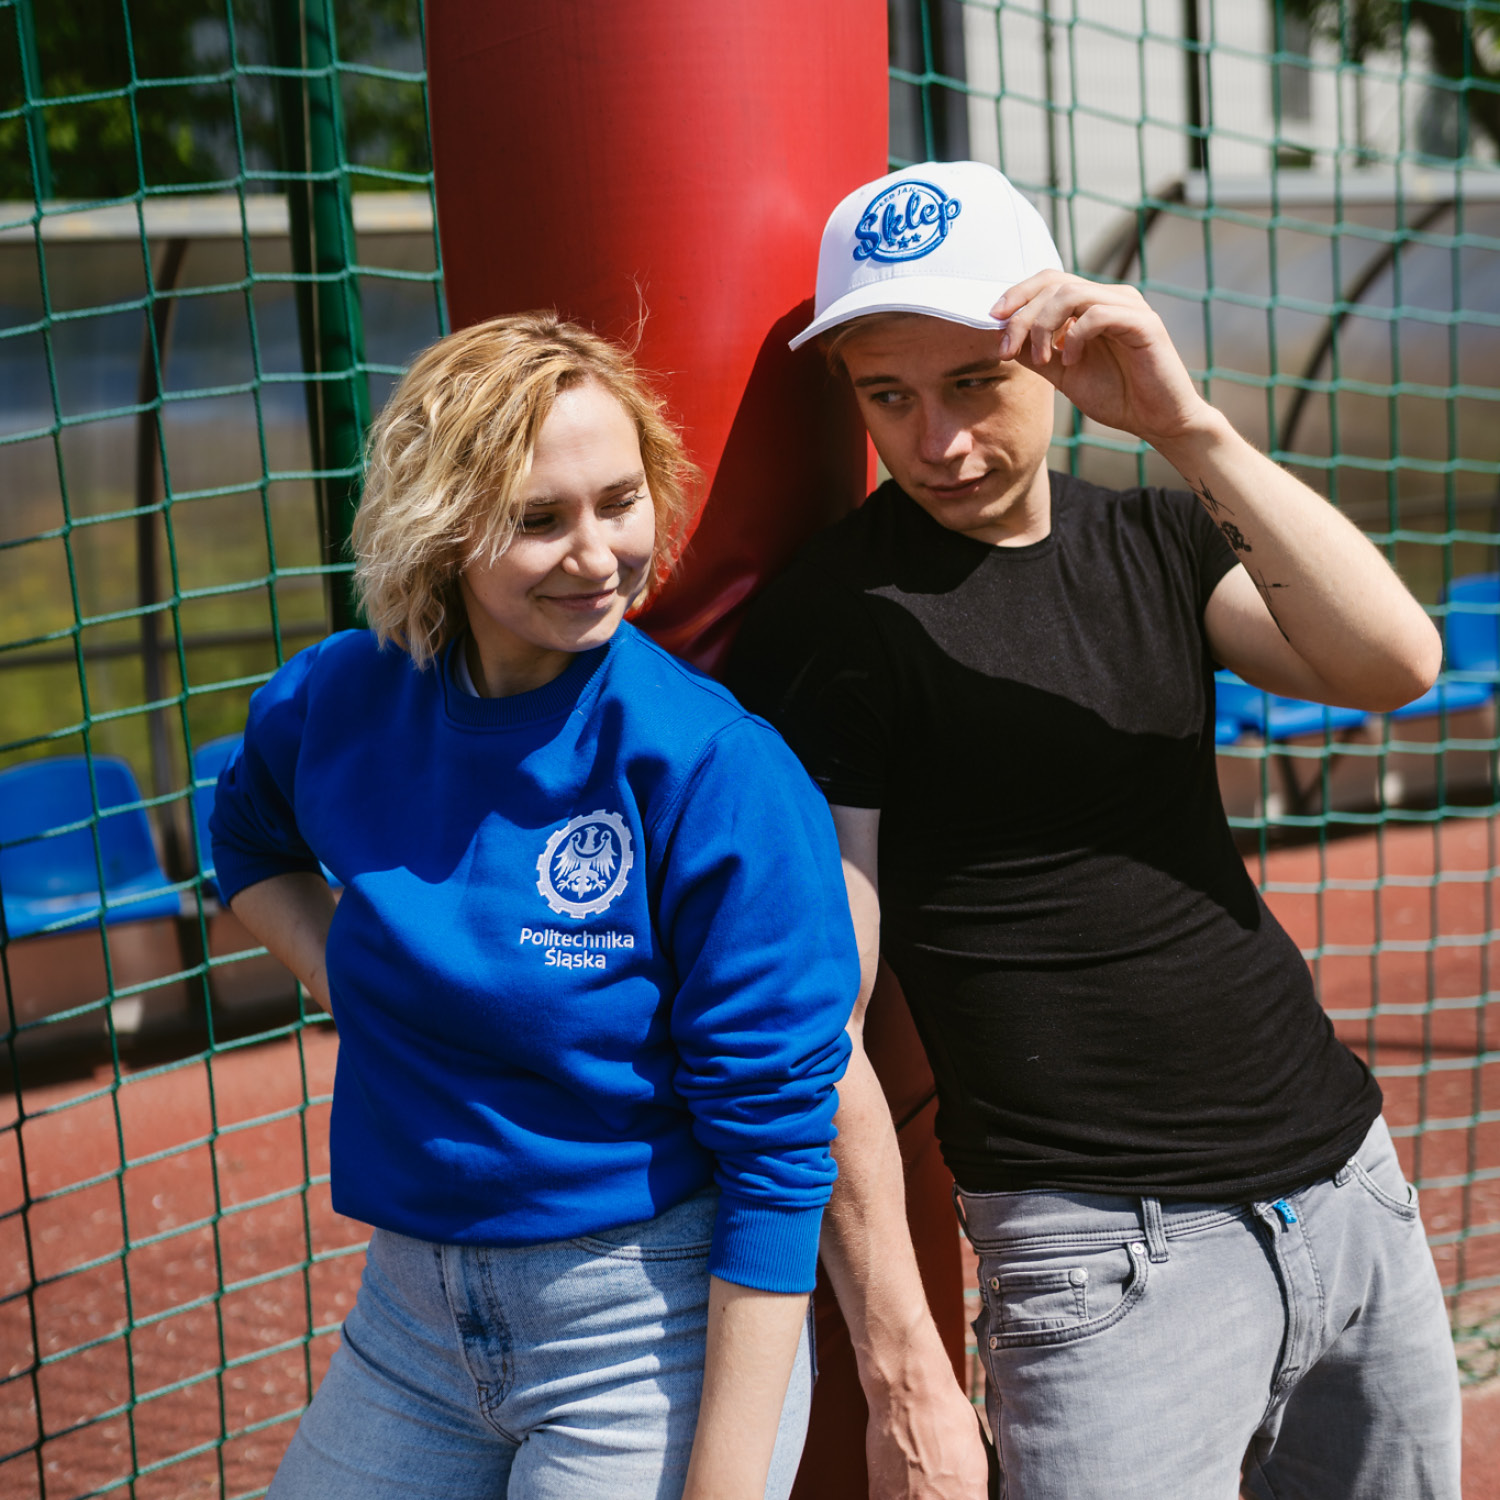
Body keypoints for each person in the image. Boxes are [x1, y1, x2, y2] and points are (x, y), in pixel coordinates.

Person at [726, 161, 1462, 1500]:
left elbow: (1395, 663)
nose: (939, 441)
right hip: (1107, 1257)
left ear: (1054, 352)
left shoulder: (1159, 538)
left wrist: (1188, 427)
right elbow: (814, 1019)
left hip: (1348, 1185)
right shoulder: (836, 627)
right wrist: (904, 1365)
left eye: (973, 383)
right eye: (889, 397)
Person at [210, 313, 859, 1500]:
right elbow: (246, 838)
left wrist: (723, 1480)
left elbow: (777, 1153)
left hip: (644, 1321)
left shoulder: (713, 767)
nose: (598, 554)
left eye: (620, 502)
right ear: (442, 526)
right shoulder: (340, 699)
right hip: (409, 1319)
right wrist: (345, 974)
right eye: (539, 518)